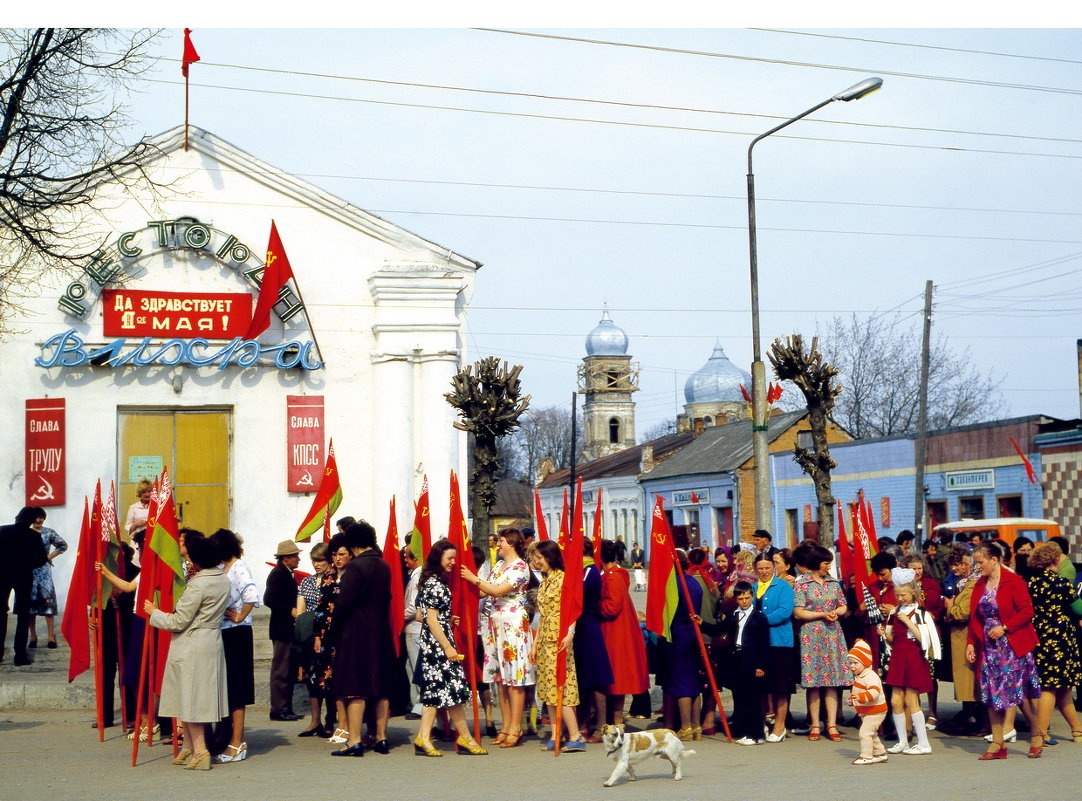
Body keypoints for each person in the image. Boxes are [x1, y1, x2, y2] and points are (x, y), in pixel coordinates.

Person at [145, 530, 230, 770]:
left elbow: (178, 621)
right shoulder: (223, 579)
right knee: (191, 696)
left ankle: (201, 750)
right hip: (211, 640)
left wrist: (154, 612)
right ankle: (189, 746)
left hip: (193, 642)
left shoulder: (198, 585)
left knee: (192, 699)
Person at [965, 541, 1042, 760]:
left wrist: (1005, 628)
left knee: (1021, 695)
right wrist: (971, 642)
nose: (978, 566)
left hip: (1013, 644)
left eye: (980, 562)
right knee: (992, 694)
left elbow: (1027, 611)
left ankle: (1036, 735)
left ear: (994, 560)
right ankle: (997, 742)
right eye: (976, 562)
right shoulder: (980, 584)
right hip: (989, 646)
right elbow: (975, 617)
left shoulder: (1014, 581)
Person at [412, 539, 489, 757]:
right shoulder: (435, 584)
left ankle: (433, 737)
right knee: (444, 690)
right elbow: (431, 618)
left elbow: (428, 615)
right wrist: (446, 645)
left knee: (445, 691)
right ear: (438, 558)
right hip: (438, 646)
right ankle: (449, 738)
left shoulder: (434, 581)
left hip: (436, 643)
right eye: (450, 558)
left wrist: (448, 619)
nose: (453, 562)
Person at [461, 527, 535, 748]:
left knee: (515, 677)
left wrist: (473, 578)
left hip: (513, 625)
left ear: (511, 543)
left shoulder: (521, 567)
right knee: (501, 678)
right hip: (494, 625)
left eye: (501, 541)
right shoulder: (498, 566)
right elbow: (485, 590)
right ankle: (505, 726)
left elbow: (498, 590)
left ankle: (516, 727)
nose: (497, 544)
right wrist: (464, 584)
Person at [328, 520, 396, 757]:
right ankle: (381, 737)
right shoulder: (384, 565)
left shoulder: (355, 568)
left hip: (356, 633)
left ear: (353, 544)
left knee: (354, 687)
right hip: (380, 631)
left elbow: (344, 603)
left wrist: (332, 632)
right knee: (380, 686)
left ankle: (354, 740)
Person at [529, 539, 587, 752]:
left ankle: (576, 735)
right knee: (547, 689)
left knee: (560, 685)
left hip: (559, 636)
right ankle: (555, 734)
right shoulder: (545, 580)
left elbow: (572, 608)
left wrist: (570, 632)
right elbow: (542, 615)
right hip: (545, 636)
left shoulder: (564, 579)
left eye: (540, 558)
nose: (537, 561)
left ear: (551, 557)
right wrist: (535, 643)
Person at [1024, 542, 1082, 749]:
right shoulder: (1062, 583)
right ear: (1055, 559)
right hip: (1061, 638)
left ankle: (1077, 729)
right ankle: (1040, 732)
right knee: (1051, 685)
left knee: (1062, 685)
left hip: (1039, 636)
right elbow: (1079, 609)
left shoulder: (1030, 584)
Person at [210, 528, 258, 763]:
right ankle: (230, 737)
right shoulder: (222, 568)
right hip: (224, 633)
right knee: (227, 689)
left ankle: (237, 743)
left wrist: (240, 615)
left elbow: (251, 594)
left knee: (237, 690)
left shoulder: (239, 567)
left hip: (237, 632)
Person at [793, 544, 850, 743]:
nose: (829, 567)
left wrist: (837, 612)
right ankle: (815, 723)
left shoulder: (834, 583)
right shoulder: (802, 584)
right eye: (826, 563)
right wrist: (821, 614)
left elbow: (843, 605)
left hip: (833, 634)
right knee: (814, 682)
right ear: (817, 563)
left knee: (832, 681)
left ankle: (832, 724)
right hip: (812, 635)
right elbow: (798, 611)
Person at [705, 580, 768, 745]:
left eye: (747, 598)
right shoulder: (734, 616)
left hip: (752, 662)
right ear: (736, 599)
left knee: (752, 699)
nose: (745, 601)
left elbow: (764, 644)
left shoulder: (759, 617)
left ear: (752, 597)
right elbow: (717, 630)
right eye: (741, 599)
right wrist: (701, 623)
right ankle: (742, 731)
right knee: (740, 698)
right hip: (737, 660)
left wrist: (761, 665)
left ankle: (755, 734)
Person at [878, 571, 934, 755]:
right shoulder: (895, 612)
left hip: (913, 655)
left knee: (911, 699)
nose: (900, 598)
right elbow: (893, 639)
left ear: (912, 593)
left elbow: (924, 639)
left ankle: (924, 743)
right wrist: (884, 635)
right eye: (898, 595)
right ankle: (903, 742)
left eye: (904, 594)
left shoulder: (920, 612)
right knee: (895, 701)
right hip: (898, 656)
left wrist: (908, 622)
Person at [597, 538, 649, 728]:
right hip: (617, 631)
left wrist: (593, 604)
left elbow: (611, 608)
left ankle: (617, 721)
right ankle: (614, 719)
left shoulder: (613, 577)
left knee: (617, 678)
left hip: (615, 632)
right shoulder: (615, 574)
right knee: (615, 677)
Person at [658, 549, 704, 741]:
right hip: (692, 635)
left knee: (681, 684)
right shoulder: (694, 582)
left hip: (676, 636)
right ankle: (695, 726)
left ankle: (685, 727)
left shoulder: (671, 585)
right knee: (692, 683)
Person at [571, 540, 614, 740]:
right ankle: (583, 723)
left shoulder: (590, 571)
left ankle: (600, 725)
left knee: (596, 680)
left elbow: (578, 594)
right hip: (579, 630)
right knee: (582, 681)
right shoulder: (580, 571)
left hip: (589, 629)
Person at [312, 535, 351, 743]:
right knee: (331, 680)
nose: (337, 558)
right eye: (334, 555)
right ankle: (340, 724)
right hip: (328, 635)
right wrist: (318, 635)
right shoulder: (329, 576)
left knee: (347, 681)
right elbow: (320, 607)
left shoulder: (353, 575)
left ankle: (348, 726)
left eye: (342, 554)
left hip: (348, 634)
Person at [940, 547, 983, 735]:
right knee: (966, 679)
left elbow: (963, 611)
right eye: (956, 564)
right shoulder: (963, 582)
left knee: (970, 679)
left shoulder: (972, 584)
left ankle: (977, 720)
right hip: (961, 636)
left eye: (963, 564)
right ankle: (970, 715)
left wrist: (950, 607)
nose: (959, 568)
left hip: (966, 636)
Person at [753, 554, 796, 742]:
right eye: (760, 568)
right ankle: (761, 722)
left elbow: (785, 611)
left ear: (774, 567)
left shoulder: (783, 586)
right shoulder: (753, 588)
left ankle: (780, 726)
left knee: (780, 687)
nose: (764, 571)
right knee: (761, 686)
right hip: (759, 644)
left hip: (780, 642)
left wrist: (760, 621)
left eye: (767, 567)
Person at [0, 506, 48, 665]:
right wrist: (26, 564)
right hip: (23, 576)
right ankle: (20, 656)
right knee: (23, 615)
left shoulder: (2, 531)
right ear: (32, 520)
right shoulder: (34, 536)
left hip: (2, 575)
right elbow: (42, 559)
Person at [295, 542, 331, 736]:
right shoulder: (307, 582)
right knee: (312, 679)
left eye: (320, 560)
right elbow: (300, 610)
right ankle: (315, 720)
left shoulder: (333, 581)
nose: (317, 564)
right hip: (309, 635)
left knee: (328, 679)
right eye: (314, 560)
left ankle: (330, 720)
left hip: (328, 635)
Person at [264, 540, 302, 721]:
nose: (298, 559)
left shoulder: (285, 573)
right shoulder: (278, 574)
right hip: (282, 628)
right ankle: (279, 708)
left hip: (287, 629)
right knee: (281, 669)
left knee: (288, 670)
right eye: (295, 556)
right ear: (286, 558)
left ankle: (286, 707)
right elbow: (269, 599)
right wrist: (290, 610)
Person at [27, 508, 66, 649]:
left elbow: (63, 545)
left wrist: (48, 557)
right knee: (29, 605)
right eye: (36, 517)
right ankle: (33, 637)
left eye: (41, 517)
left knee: (48, 602)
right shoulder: (25, 532)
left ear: (44, 518)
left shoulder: (49, 532)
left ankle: (50, 637)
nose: (38, 520)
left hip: (44, 572)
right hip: (28, 572)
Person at [846, 639, 889, 765]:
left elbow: (874, 693)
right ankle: (880, 753)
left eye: (855, 663)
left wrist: (860, 697)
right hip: (868, 711)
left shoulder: (871, 676)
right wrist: (853, 700)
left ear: (865, 662)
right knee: (871, 732)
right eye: (851, 663)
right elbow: (859, 693)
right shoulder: (861, 675)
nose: (852, 666)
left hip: (876, 711)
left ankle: (866, 756)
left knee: (865, 732)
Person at [402, 542, 424, 721]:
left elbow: (413, 607)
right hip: (412, 628)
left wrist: (398, 616)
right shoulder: (414, 575)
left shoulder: (418, 577)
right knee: (411, 667)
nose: (404, 559)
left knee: (417, 667)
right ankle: (417, 702)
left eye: (406, 556)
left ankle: (421, 704)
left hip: (416, 628)